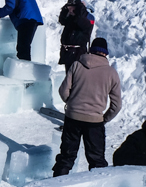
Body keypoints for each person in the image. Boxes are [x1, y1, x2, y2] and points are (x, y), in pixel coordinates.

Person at [52, 37, 122, 176]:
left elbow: (63, 91)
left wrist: (72, 104)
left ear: (91, 50)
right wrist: (103, 118)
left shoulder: (77, 65)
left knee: (66, 157)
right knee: (96, 160)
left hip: (72, 118)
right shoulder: (111, 73)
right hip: (95, 123)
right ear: (105, 53)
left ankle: (56, 186)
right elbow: (117, 105)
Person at [57, 0, 94, 69]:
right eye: (69, 8)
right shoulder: (70, 17)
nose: (70, 10)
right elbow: (62, 20)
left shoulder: (87, 17)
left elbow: (85, 25)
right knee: (69, 76)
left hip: (78, 52)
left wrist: (79, 12)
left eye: (72, 8)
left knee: (78, 76)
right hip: (68, 51)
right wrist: (65, 10)